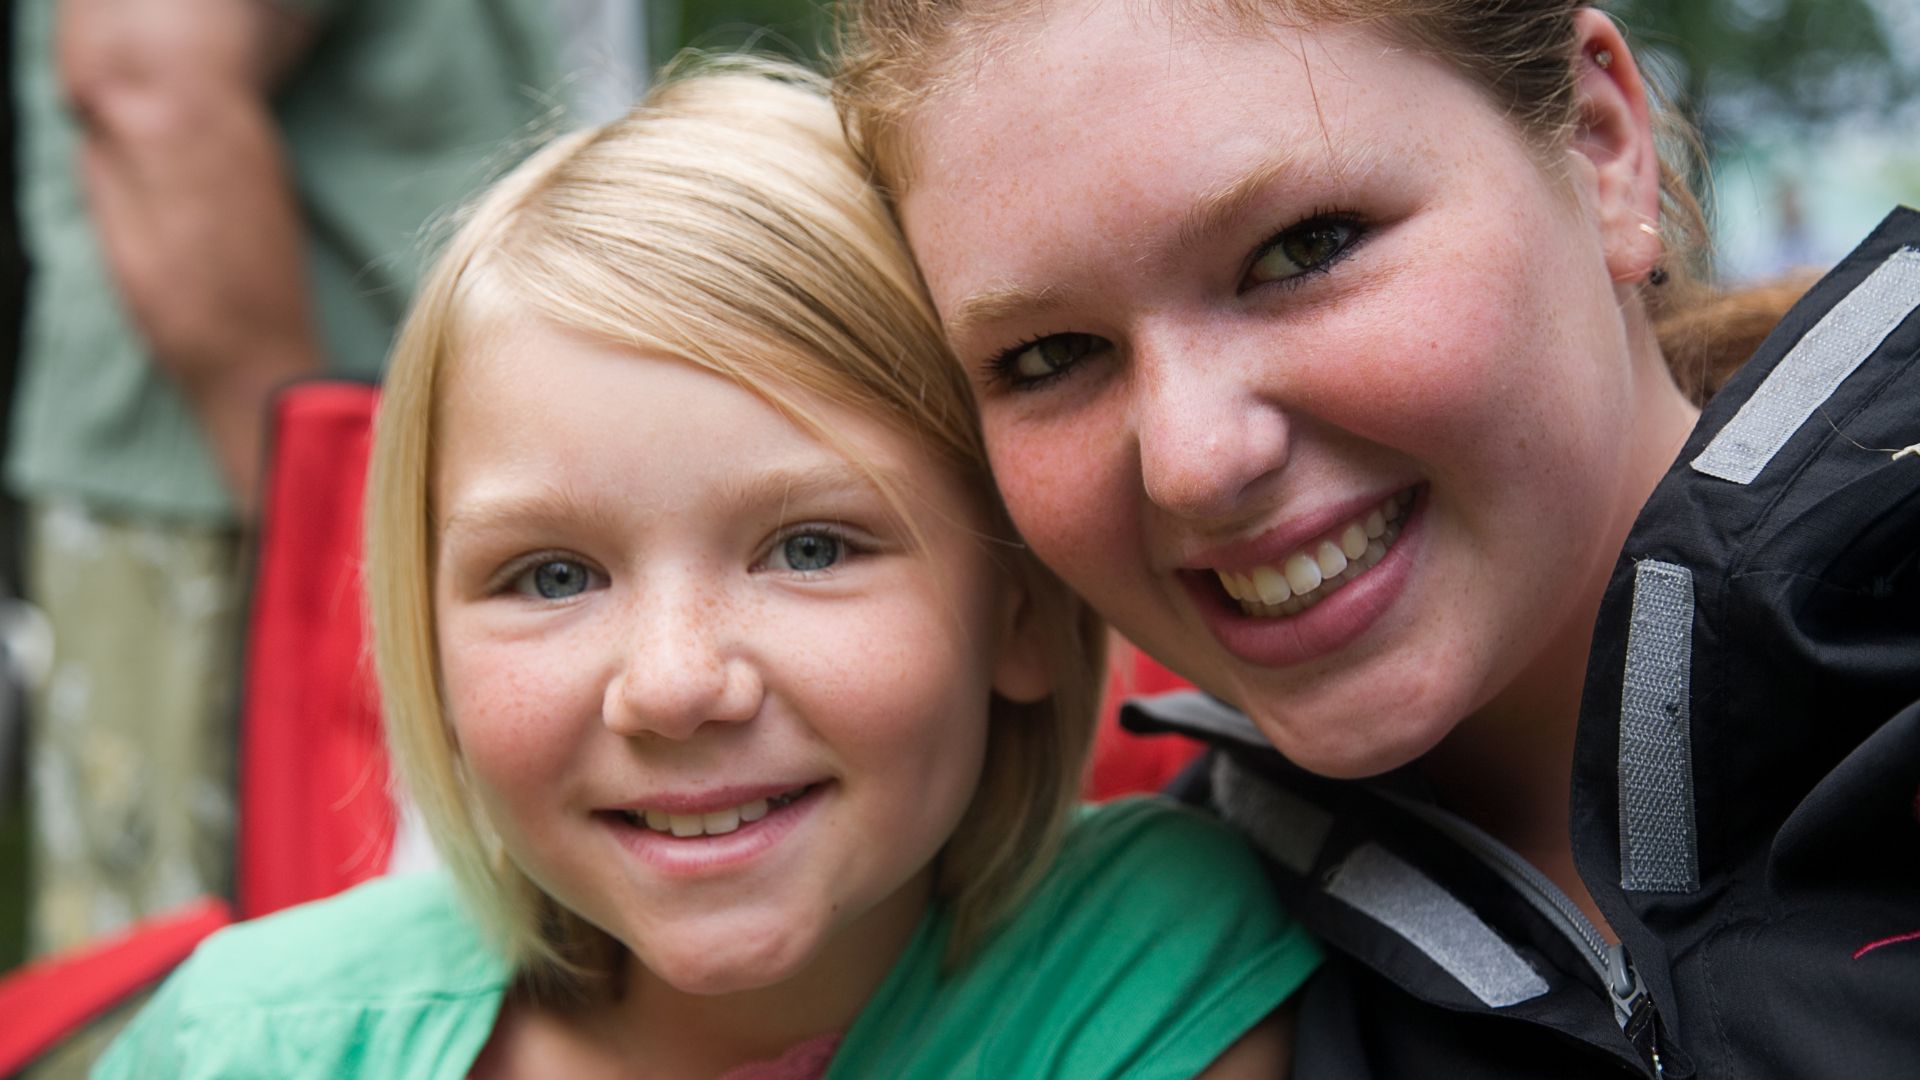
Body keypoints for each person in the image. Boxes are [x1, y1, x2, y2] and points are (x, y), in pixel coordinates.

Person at [94, 65, 1322, 1078]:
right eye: (553, 577)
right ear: (427, 641)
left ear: (1018, 605)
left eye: (809, 548)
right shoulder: (246, 1043)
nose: (676, 687)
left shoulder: (1141, 971)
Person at [832, 1, 1920, 1076]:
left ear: (1601, 145)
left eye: (1305, 248)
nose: (1193, 462)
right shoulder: (1145, 995)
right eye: (1049, 355)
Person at [12, 0, 564, 993]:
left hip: (423, 496)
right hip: (233, 519)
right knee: (198, 1010)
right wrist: (325, 528)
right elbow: (147, 81)